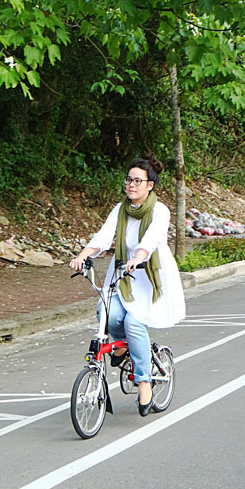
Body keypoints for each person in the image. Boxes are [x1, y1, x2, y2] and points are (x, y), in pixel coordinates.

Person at [69, 156, 185, 417]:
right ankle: (124, 346)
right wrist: (83, 255)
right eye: (129, 180)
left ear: (150, 185)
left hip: (148, 273)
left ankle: (144, 381)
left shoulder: (160, 211)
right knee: (106, 313)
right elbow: (103, 236)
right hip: (123, 273)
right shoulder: (120, 210)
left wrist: (138, 257)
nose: (131, 185)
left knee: (133, 323)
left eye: (137, 181)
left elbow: (152, 239)